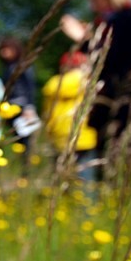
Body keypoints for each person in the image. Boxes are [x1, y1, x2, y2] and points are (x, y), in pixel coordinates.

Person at [60, 0, 131, 155]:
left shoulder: (126, 21)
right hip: (111, 98)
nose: (92, 6)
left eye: (95, 0)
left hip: (120, 98)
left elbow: (115, 60)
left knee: (121, 151)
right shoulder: (110, 22)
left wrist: (83, 39)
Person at [42, 51, 98, 182]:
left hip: (59, 136)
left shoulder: (54, 82)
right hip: (83, 137)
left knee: (61, 180)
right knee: (85, 181)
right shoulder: (85, 81)